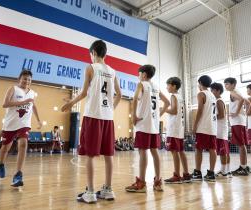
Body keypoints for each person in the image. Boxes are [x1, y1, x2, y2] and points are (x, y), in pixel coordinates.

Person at [61, 40, 121, 204]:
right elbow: (120, 94)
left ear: (93, 52)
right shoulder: (113, 71)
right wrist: (111, 109)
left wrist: (70, 103)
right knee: (108, 155)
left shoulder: (90, 68)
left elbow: (83, 93)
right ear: (105, 53)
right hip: (108, 117)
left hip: (93, 116)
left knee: (91, 155)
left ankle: (91, 192)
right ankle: (108, 190)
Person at [125, 65, 170, 193]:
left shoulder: (142, 84)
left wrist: (133, 116)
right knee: (155, 152)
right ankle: (158, 182)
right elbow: (167, 103)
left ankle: (141, 183)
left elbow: (134, 99)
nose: (138, 76)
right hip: (154, 126)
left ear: (143, 74)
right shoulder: (156, 87)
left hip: (143, 124)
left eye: (139, 74)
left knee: (143, 152)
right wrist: (158, 116)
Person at [0, 69, 42, 187]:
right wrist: (23, 102)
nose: (27, 81)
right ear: (19, 79)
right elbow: (5, 104)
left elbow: (33, 106)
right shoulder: (13, 89)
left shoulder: (32, 93)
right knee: (5, 148)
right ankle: (1, 164)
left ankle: (18, 175)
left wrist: (38, 120)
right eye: (25, 78)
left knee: (23, 144)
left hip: (24, 123)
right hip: (10, 124)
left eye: (29, 79)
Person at [164, 77, 191, 184]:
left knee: (174, 151)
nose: (167, 87)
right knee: (181, 151)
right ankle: (186, 173)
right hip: (180, 127)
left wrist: (164, 109)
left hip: (174, 128)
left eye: (168, 85)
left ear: (174, 86)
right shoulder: (180, 97)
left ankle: (176, 175)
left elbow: (174, 110)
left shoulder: (173, 96)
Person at [191, 75, 217, 182]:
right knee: (212, 149)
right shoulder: (212, 95)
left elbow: (200, 111)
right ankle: (211, 173)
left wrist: (194, 126)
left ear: (200, 82)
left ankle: (197, 172)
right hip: (212, 126)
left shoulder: (201, 94)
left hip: (203, 126)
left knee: (198, 149)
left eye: (198, 83)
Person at [224, 77, 249, 176]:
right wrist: (244, 113)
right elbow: (248, 103)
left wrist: (237, 112)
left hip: (237, 121)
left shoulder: (233, 92)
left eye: (227, 84)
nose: (225, 86)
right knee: (242, 145)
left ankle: (243, 167)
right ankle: (244, 166)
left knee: (241, 145)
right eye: (225, 84)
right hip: (239, 121)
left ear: (233, 84)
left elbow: (243, 100)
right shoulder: (237, 92)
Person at [210, 83, 232, 178]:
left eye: (213, 90)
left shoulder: (219, 101)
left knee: (223, 151)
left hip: (220, 129)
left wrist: (211, 117)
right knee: (225, 151)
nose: (211, 92)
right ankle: (227, 170)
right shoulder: (219, 100)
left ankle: (224, 172)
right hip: (221, 129)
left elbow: (221, 115)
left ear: (218, 90)